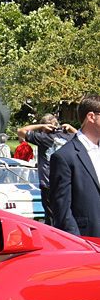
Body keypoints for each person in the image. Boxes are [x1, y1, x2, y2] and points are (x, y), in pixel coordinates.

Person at [50, 95, 100, 237]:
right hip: (87, 242)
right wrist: (79, 244)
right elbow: (62, 210)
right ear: (91, 117)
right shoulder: (64, 156)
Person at [17, 114, 76, 225]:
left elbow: (21, 131)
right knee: (66, 215)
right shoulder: (69, 137)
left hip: (48, 184)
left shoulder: (43, 138)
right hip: (67, 182)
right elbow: (82, 137)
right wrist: (70, 127)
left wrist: (40, 126)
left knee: (51, 218)